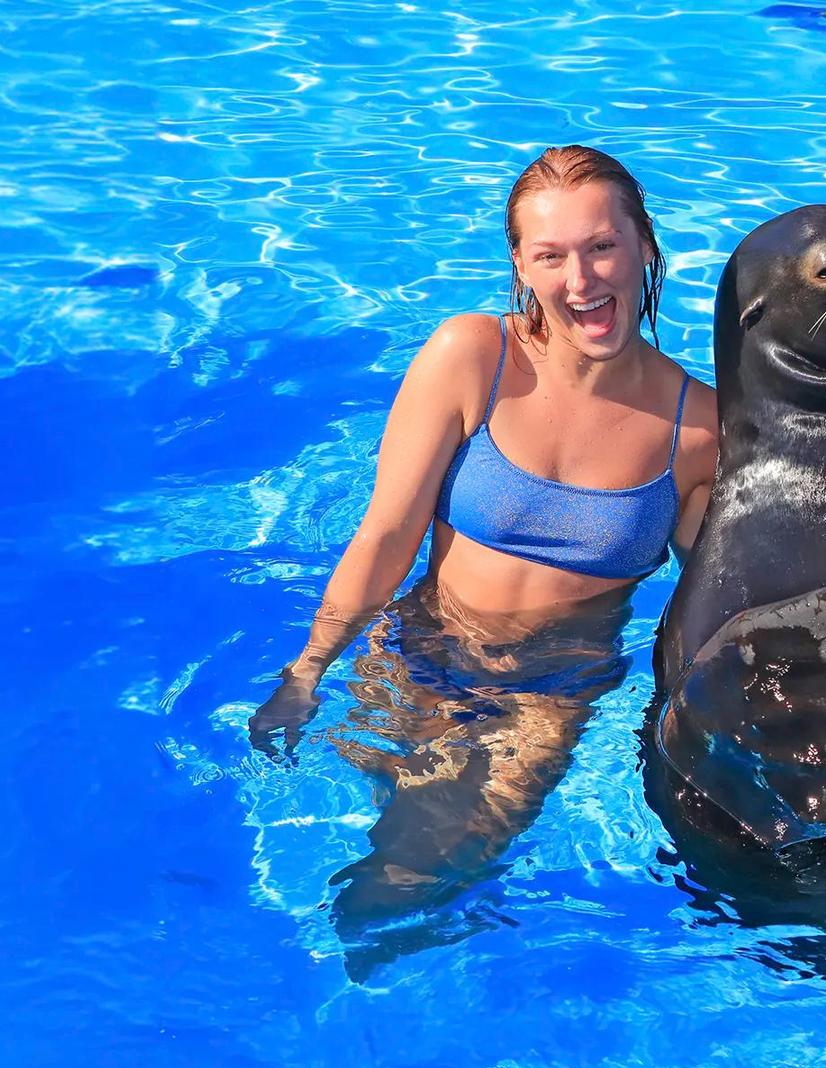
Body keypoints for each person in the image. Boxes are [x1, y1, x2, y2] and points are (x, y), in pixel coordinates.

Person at [248, 146, 717, 973]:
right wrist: (308, 667)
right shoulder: (473, 356)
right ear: (521, 265)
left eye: (602, 246)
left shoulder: (698, 426)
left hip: (547, 692)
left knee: (406, 884)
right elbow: (387, 533)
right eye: (552, 256)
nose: (581, 280)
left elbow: (720, 601)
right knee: (378, 830)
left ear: (645, 243)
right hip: (417, 650)